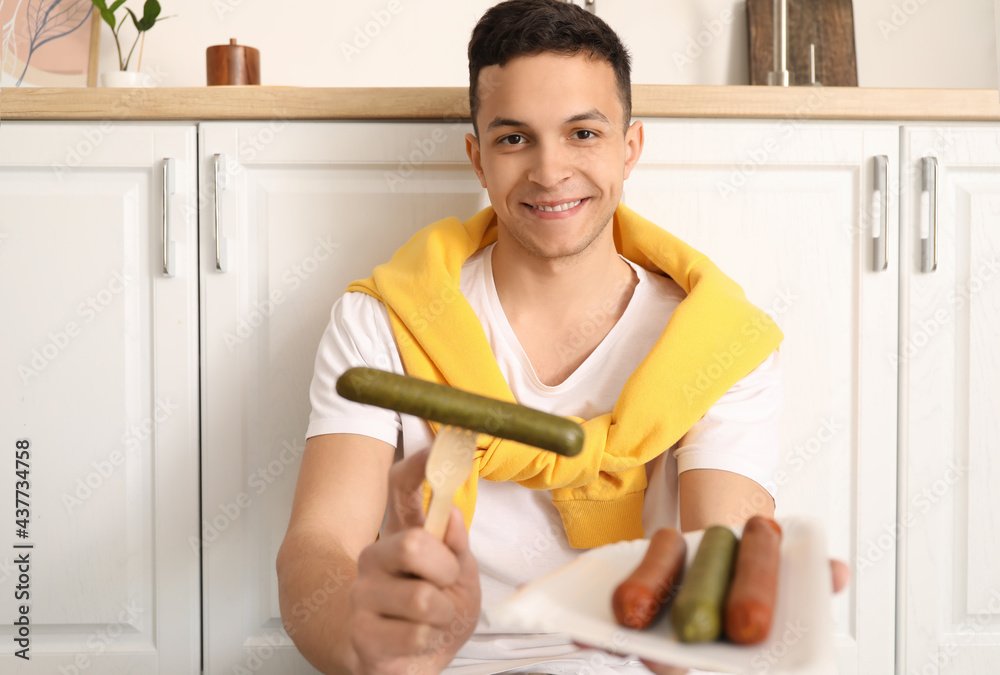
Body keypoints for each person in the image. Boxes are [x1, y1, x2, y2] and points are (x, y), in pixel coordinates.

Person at [277, 1, 847, 673]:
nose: (551, 171)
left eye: (583, 133)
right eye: (515, 138)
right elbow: (318, 543)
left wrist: (694, 642)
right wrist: (371, 641)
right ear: (478, 158)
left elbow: (715, 539)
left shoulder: (715, 339)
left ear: (629, 149)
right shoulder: (382, 320)